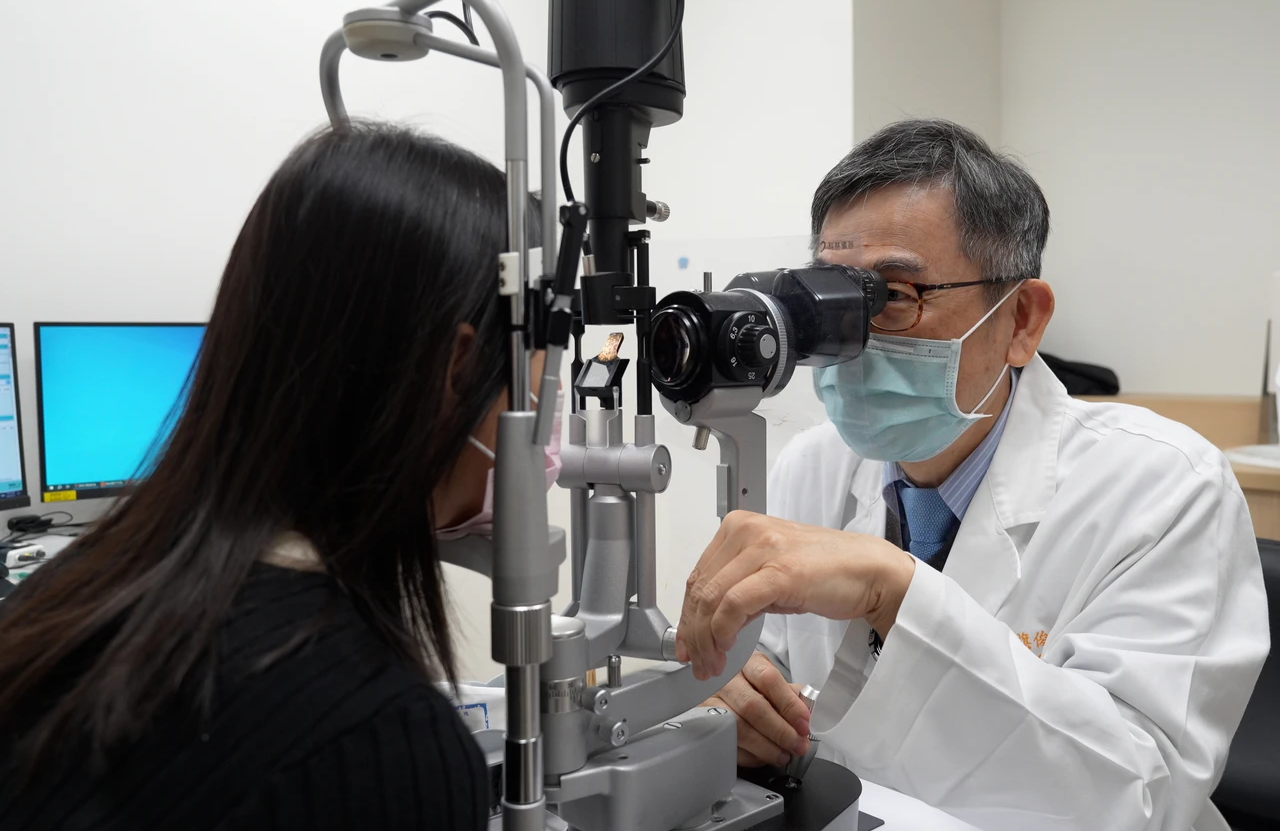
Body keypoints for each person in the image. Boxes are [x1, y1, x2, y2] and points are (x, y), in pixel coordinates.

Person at [675, 119, 1268, 831]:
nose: (851, 340)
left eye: (893, 295)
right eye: (828, 300)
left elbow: (1139, 796)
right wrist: (736, 700)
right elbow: (768, 678)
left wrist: (895, 592)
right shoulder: (813, 464)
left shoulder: (1167, 488)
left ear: (1021, 320)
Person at [0, 123, 553, 830]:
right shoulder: (380, 745)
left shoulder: (63, 602)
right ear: (459, 366)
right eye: (538, 368)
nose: (542, 420)